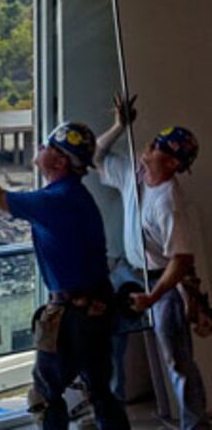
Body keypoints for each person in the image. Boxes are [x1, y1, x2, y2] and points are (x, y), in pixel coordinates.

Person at [0, 122, 130, 430]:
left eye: (45, 146)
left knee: (46, 394)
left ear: (60, 161)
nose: (39, 149)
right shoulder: (75, 196)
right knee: (100, 391)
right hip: (96, 306)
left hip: (72, 316)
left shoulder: (55, 201)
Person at [94, 94, 209, 430]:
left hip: (163, 279)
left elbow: (181, 259)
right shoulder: (135, 173)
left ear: (173, 163)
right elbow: (96, 155)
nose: (149, 146)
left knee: (177, 359)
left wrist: (154, 296)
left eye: (159, 146)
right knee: (110, 341)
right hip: (130, 271)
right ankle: (112, 418)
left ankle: (195, 423)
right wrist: (119, 126)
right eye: (155, 140)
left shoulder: (169, 202)